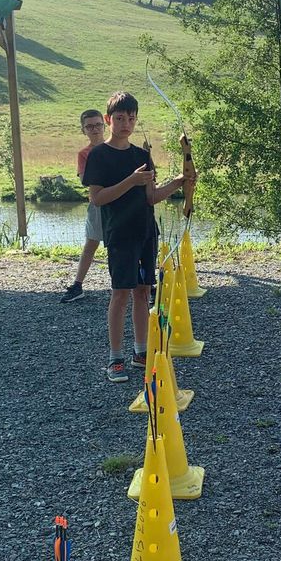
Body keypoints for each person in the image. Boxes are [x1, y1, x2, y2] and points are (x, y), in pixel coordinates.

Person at [82, 92, 193, 383]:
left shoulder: (142, 156)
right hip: (120, 234)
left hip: (145, 233)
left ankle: (140, 351)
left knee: (143, 292)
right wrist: (130, 180)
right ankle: (114, 357)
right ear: (108, 120)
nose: (126, 124)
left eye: (131, 118)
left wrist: (180, 182)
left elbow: (152, 197)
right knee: (120, 294)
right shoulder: (99, 156)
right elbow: (97, 198)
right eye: (119, 118)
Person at [60, 109, 106, 303]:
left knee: (124, 245)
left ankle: (142, 283)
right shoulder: (84, 154)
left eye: (98, 125)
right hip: (98, 203)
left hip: (120, 201)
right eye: (90, 126)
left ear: (105, 126)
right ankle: (78, 285)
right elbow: (84, 179)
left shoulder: (117, 146)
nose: (95, 130)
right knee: (91, 244)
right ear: (84, 130)